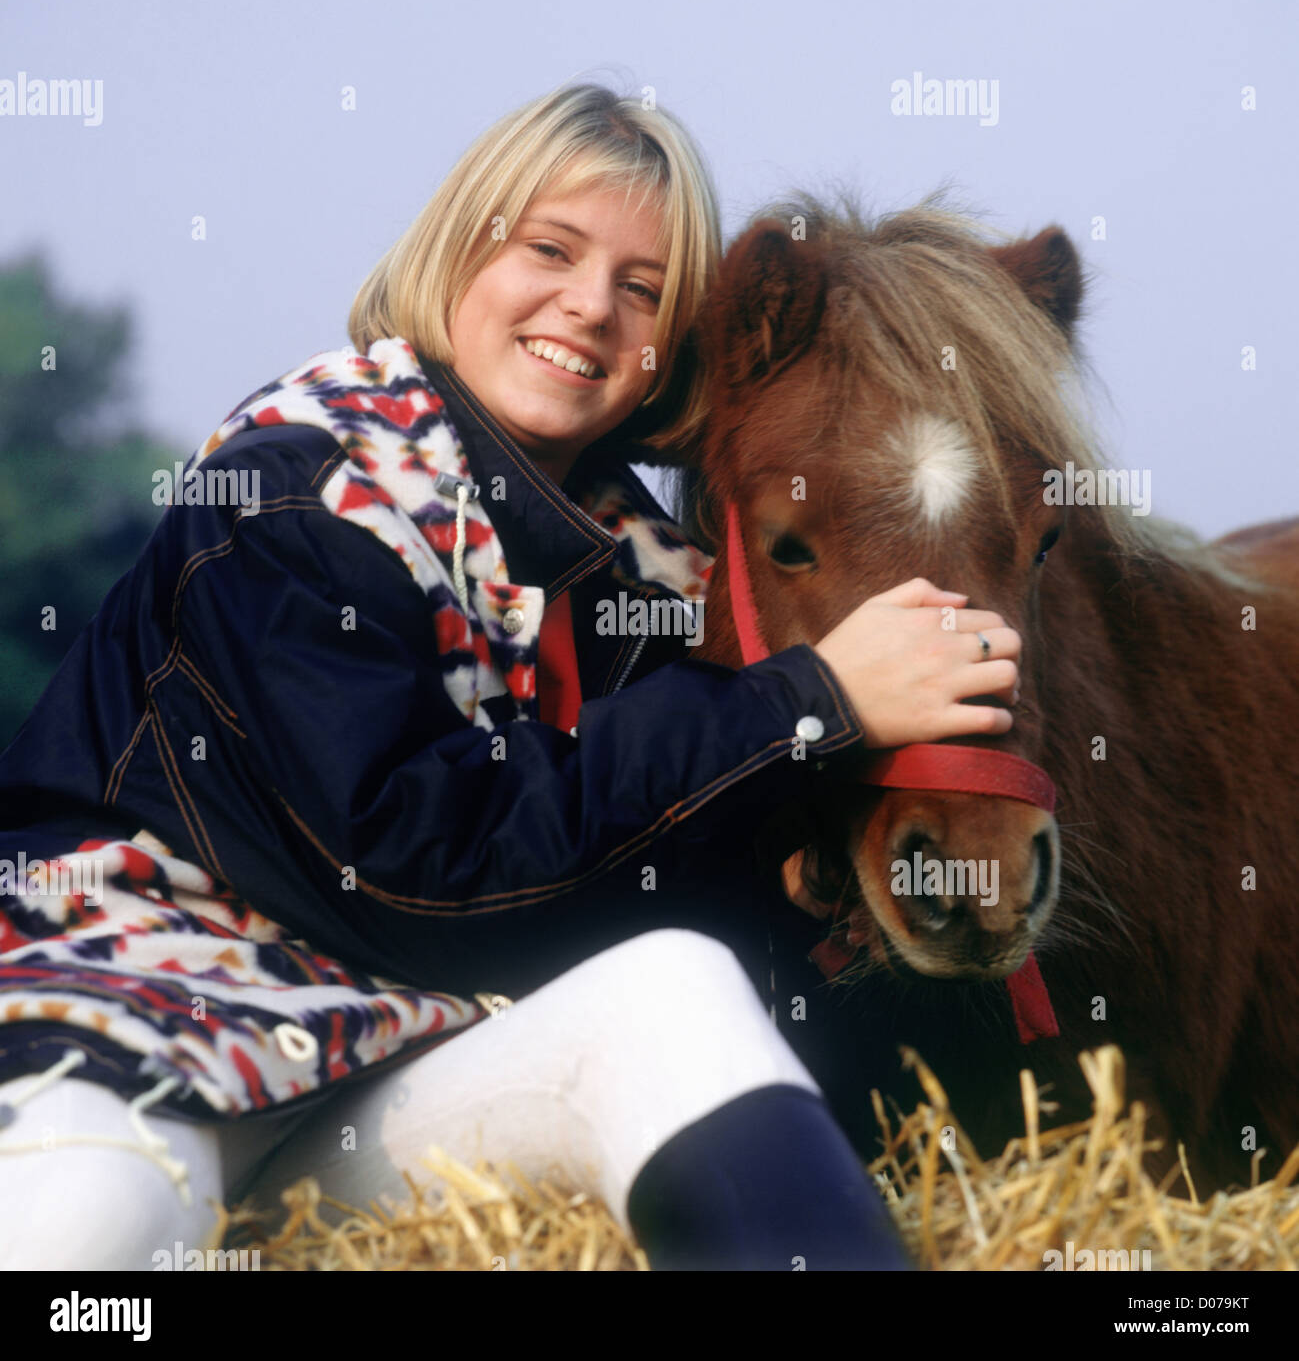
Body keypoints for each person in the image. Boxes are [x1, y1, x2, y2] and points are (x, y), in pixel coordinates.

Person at [0, 82, 1020, 1271]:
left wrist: (801, 858)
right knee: (99, 1228)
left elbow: (616, 872)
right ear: (458, 253)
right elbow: (412, 867)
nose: (589, 307)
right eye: (550, 249)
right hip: (134, 1031)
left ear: (661, 351)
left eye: (643, 290)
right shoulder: (299, 492)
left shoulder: (649, 580)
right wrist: (808, 702)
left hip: (382, 1079)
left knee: (672, 992)